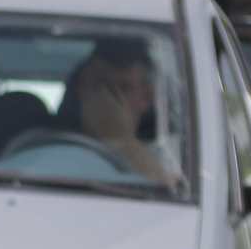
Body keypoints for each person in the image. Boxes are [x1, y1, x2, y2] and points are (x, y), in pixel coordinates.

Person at [65, 39, 176, 185]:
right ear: (81, 89)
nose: (109, 98)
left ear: (146, 99)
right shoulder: (40, 144)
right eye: (100, 85)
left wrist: (120, 139)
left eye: (125, 89)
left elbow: (170, 191)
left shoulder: (172, 154)